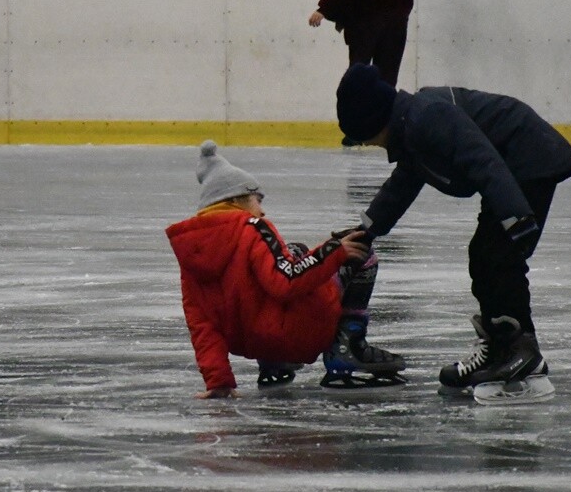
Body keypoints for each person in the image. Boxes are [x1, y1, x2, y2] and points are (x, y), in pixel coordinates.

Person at [334, 63, 571, 404]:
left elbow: (482, 160)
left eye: (363, 137)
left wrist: (515, 216)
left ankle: (521, 353)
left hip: (527, 160)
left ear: (373, 122)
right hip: (510, 172)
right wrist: (367, 229)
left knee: (496, 256)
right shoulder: (410, 125)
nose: (367, 144)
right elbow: (403, 184)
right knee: (484, 256)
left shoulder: (427, 117)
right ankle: (501, 348)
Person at [165, 140, 406, 398]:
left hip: (257, 345)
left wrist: (218, 381)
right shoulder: (252, 226)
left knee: (294, 250)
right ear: (237, 199)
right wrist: (334, 250)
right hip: (296, 333)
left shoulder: (191, 255)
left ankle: (275, 363)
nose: (262, 209)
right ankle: (346, 348)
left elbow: (202, 324)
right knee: (362, 254)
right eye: (257, 200)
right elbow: (286, 280)